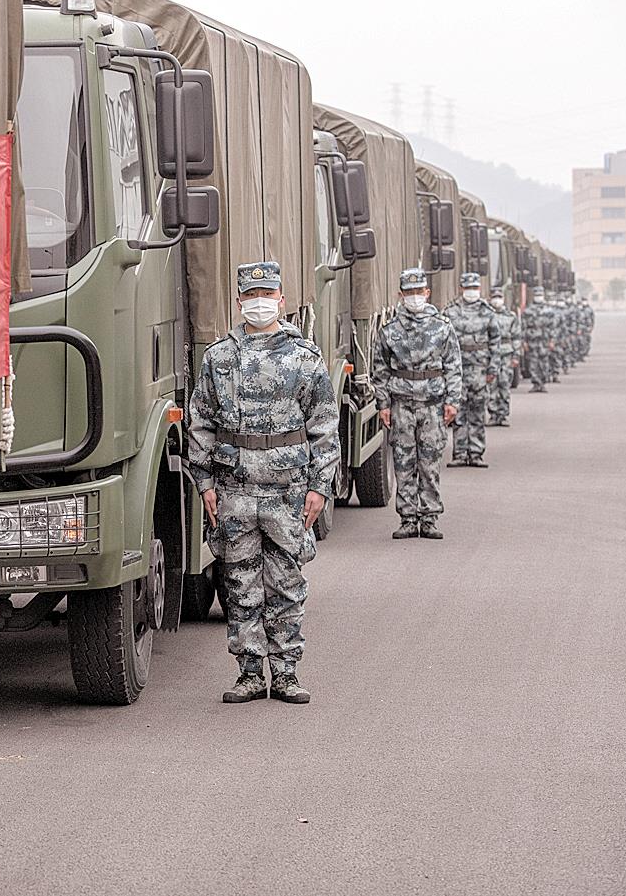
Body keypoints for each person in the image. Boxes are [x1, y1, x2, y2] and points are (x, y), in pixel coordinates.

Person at [188, 261, 339, 705]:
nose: (259, 303)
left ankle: (287, 673)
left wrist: (320, 486)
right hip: (234, 492)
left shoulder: (305, 358)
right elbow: (200, 423)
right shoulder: (219, 358)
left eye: (266, 295)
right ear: (239, 302)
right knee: (240, 584)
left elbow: (324, 427)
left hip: (287, 492)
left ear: (281, 300)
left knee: (286, 583)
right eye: (251, 296)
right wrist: (204, 482)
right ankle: (250, 673)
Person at [371, 269, 463, 540]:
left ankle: (430, 517)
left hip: (433, 404)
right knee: (403, 461)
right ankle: (408, 518)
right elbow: (380, 370)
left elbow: (454, 366)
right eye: (408, 293)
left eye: (418, 292)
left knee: (430, 461)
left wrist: (453, 401)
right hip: (401, 404)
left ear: (427, 293)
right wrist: (383, 404)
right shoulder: (389, 331)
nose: (414, 297)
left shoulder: (442, 326)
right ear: (401, 295)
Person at [441, 272, 501, 467]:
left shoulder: (488, 312)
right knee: (457, 413)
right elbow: (443, 342)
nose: (471, 292)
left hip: (479, 370)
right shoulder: (451, 311)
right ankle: (459, 453)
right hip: (457, 371)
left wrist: (493, 368)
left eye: (474, 288)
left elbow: (495, 341)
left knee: (477, 412)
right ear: (461, 289)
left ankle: (475, 453)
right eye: (468, 288)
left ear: (479, 289)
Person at [487, 289, 521, 427]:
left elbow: (516, 336)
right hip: (491, 355)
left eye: (499, 297)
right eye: (494, 297)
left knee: (505, 385)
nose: (497, 300)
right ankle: (493, 414)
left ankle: (503, 414)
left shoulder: (511, 316)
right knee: (492, 386)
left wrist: (516, 356)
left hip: (506, 354)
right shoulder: (487, 315)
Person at [522, 286, 553, 393]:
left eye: (540, 295)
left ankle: (543, 383)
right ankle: (536, 383)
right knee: (533, 363)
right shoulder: (528, 311)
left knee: (544, 363)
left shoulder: (548, 310)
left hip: (544, 340)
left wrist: (552, 340)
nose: (538, 297)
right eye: (536, 295)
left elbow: (552, 326)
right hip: (532, 341)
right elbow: (523, 327)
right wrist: (524, 342)